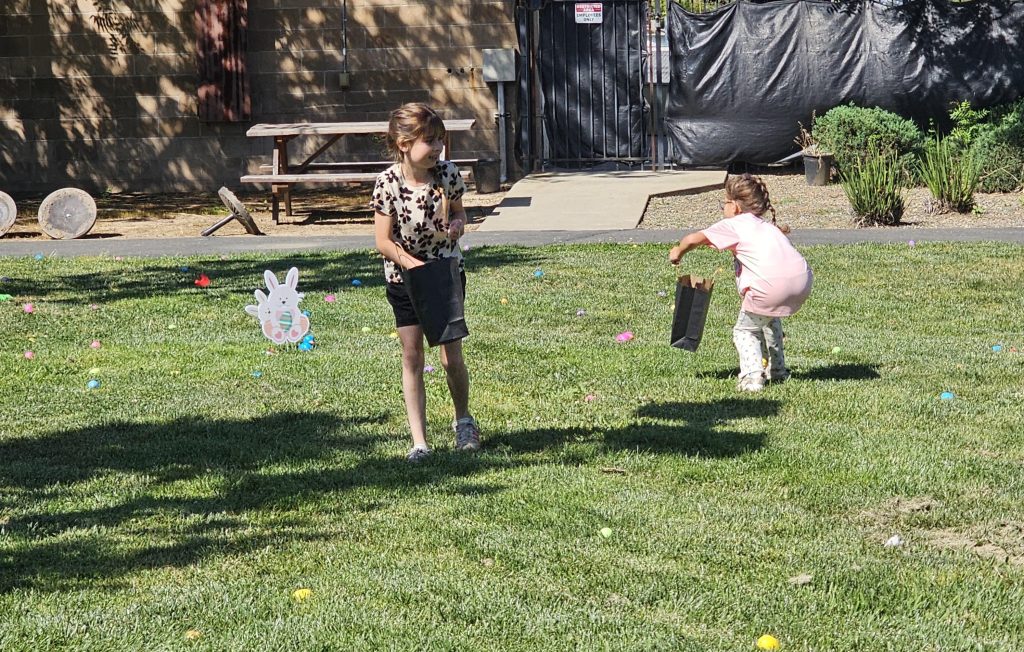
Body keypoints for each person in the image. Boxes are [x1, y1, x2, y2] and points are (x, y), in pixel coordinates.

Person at [371, 102, 481, 461]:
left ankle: (463, 421)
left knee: (451, 358)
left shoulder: (448, 175)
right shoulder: (387, 184)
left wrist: (458, 225)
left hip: (445, 274)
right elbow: (383, 242)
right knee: (412, 355)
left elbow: (461, 212)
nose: (437, 149)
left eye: (439, 141)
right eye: (429, 141)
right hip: (405, 278)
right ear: (404, 143)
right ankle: (420, 441)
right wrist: (412, 266)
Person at [668, 173, 813, 392]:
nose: (723, 209)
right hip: (802, 281)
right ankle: (777, 369)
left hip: (770, 287)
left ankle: (752, 376)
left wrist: (677, 252)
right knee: (768, 320)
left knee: (744, 331)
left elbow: (693, 239)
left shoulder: (734, 224)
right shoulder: (766, 226)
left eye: (724, 203)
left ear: (735, 206)